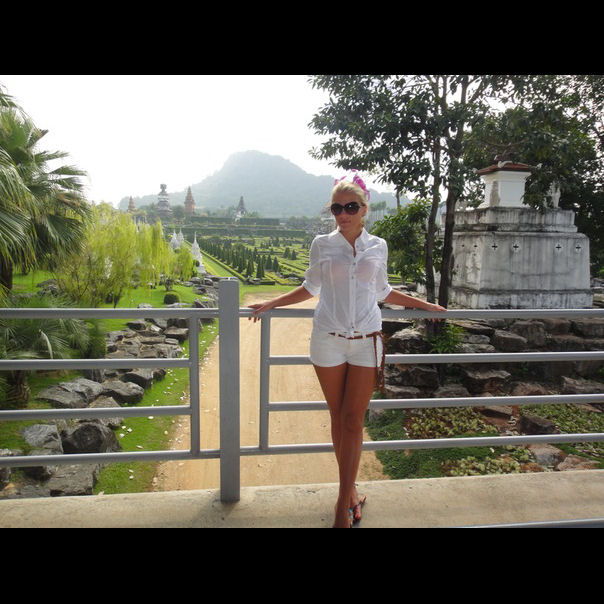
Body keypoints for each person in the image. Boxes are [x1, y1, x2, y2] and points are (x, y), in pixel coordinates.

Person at [248, 171, 446, 527]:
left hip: (367, 341)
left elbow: (383, 291)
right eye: (337, 208)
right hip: (328, 340)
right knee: (338, 417)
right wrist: (271, 303)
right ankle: (350, 491)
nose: (343, 214)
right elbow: (310, 287)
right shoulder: (322, 245)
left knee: (353, 421)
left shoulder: (378, 246)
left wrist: (425, 305)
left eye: (350, 207)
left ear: (364, 208)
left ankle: (342, 505)